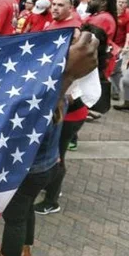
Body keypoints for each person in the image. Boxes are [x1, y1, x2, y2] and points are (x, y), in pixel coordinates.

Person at [0, 31, 99, 256]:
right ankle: (24, 249)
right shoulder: (59, 95)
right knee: (26, 208)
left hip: (31, 170)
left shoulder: (41, 101)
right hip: (47, 165)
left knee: (14, 215)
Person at [33, 24, 108, 217]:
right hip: (64, 115)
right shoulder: (70, 57)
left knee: (58, 156)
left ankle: (52, 199)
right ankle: (49, 185)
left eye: (75, 38)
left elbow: (80, 96)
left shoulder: (84, 64)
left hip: (70, 117)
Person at [110, 0, 129, 101]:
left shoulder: (128, 18)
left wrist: (125, 47)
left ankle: (115, 91)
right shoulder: (110, 14)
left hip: (119, 47)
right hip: (108, 45)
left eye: (123, 2)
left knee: (116, 70)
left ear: (127, 5)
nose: (121, 4)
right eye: (119, 2)